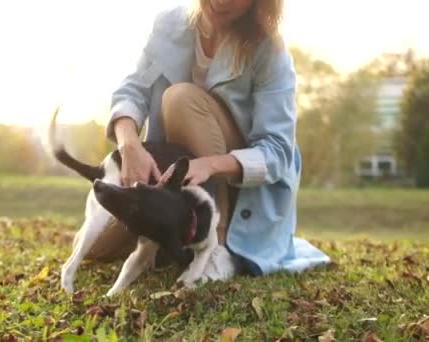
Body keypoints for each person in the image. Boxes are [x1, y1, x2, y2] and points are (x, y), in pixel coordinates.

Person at [81, 0, 330, 277]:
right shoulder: (169, 24)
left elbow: (278, 151)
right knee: (97, 249)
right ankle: (178, 231)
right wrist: (130, 144)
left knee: (180, 99)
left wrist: (209, 164)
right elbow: (133, 90)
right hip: (175, 181)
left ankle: (217, 247)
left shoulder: (270, 51)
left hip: (240, 190)